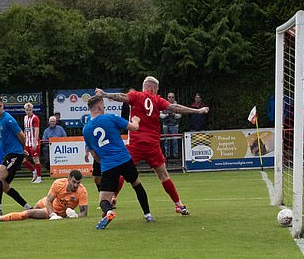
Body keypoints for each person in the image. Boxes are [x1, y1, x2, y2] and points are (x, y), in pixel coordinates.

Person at [94, 76, 209, 215]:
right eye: (157, 89)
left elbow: (122, 97)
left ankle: (112, 198)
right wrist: (197, 111)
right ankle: (178, 204)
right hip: (152, 145)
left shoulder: (136, 95)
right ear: (153, 88)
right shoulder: (157, 99)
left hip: (135, 144)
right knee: (164, 176)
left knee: (122, 172)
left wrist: (105, 95)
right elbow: (175, 108)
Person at [82, 95, 153, 229]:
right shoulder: (110, 118)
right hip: (124, 159)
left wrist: (103, 162)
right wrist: (136, 120)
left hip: (108, 165)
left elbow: (93, 153)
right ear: (98, 106)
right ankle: (147, 214)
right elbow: (134, 127)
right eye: (102, 105)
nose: (104, 107)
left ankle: (109, 212)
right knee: (136, 184)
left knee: (103, 199)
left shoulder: (86, 129)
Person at [0, 96, 31, 216]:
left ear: (3, 106)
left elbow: (22, 136)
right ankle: (28, 207)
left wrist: (22, 150)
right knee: (4, 186)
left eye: (0, 106)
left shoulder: (8, 119)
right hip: (9, 154)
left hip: (14, 154)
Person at [0, 170, 88, 223]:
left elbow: (84, 212)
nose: (75, 185)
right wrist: (53, 215)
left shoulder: (82, 191)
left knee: (27, 214)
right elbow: (48, 201)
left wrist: (75, 216)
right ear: (68, 178)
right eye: (74, 182)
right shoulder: (58, 183)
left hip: (57, 211)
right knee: (35, 208)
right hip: (48, 204)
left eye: (78, 183)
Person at [22, 102, 42, 183]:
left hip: (33, 142)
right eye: (27, 110)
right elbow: (25, 129)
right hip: (27, 142)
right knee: (22, 159)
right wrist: (24, 140)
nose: (28, 111)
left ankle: (39, 178)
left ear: (32, 110)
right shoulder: (25, 118)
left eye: (30, 110)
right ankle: (34, 171)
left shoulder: (35, 118)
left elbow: (37, 130)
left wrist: (35, 142)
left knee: (36, 160)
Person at [160, 92, 182, 158]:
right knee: (166, 141)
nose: (171, 98)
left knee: (175, 140)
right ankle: (167, 155)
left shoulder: (177, 106)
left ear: (174, 98)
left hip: (174, 125)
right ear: (167, 97)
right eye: (169, 97)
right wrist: (166, 115)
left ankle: (175, 155)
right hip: (165, 125)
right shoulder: (163, 104)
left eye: (172, 97)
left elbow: (180, 115)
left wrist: (174, 115)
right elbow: (160, 114)